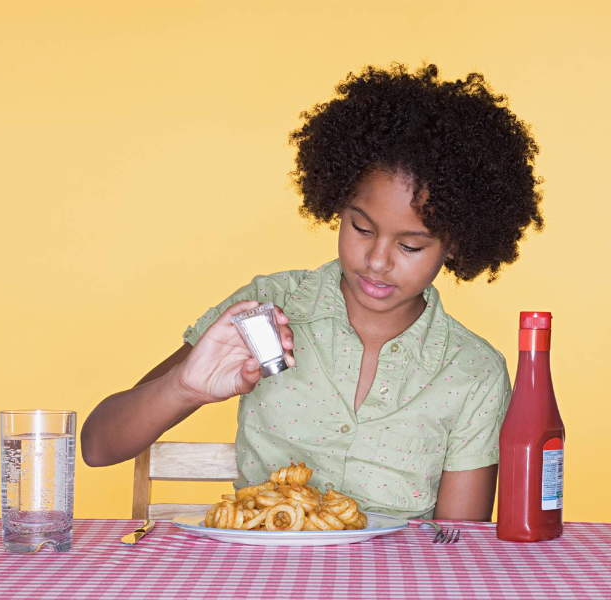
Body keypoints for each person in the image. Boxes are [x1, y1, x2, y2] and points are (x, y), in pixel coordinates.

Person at [81, 62, 544, 521]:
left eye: (409, 245)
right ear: (336, 202)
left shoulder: (474, 373)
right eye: (361, 228)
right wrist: (185, 388)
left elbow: (457, 548)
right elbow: (98, 445)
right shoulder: (265, 310)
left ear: (456, 242)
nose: (378, 260)